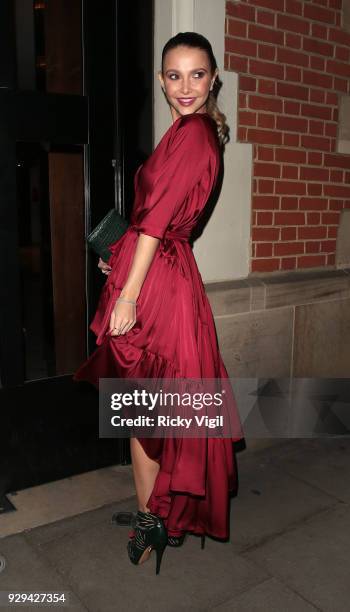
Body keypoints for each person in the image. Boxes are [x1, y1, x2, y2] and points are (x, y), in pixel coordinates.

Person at [73, 31, 243, 575]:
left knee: (148, 406)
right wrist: (120, 259)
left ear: (213, 77)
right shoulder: (187, 133)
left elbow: (155, 223)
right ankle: (153, 514)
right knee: (145, 405)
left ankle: (154, 518)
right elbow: (156, 227)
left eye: (197, 74)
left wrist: (127, 292)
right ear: (162, 80)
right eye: (174, 75)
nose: (185, 86)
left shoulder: (194, 135)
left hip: (160, 288)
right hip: (161, 273)